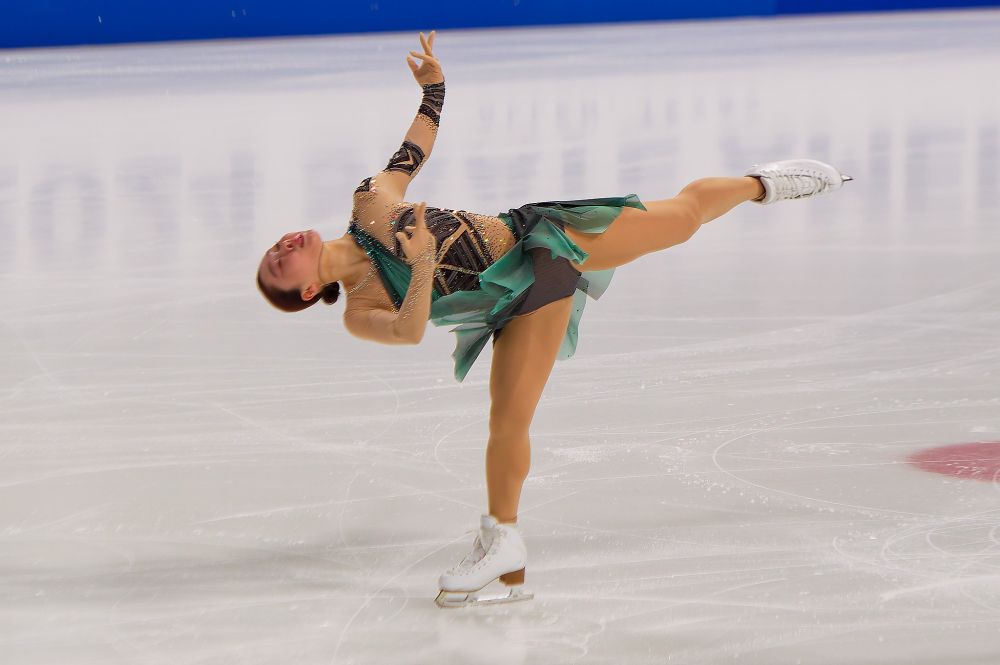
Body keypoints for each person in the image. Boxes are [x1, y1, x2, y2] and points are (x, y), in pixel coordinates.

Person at [255, 30, 853, 608]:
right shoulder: (360, 310)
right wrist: (417, 267)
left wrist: (433, 90)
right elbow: (409, 331)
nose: (282, 245)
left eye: (275, 246)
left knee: (682, 218)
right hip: (512, 304)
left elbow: (410, 154)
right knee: (507, 423)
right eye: (279, 264)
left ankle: (764, 185)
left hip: (543, 240)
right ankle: (503, 545)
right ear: (309, 291)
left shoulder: (369, 201)